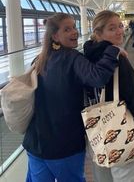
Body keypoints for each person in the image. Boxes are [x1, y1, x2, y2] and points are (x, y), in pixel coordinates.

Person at [23, 12, 122, 182]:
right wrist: (113, 50)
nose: (74, 32)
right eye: (67, 29)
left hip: (35, 143)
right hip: (64, 144)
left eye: (74, 27)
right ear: (55, 36)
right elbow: (98, 77)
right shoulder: (72, 58)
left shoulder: (38, 60)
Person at [83, 10, 134, 182]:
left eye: (120, 26)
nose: (119, 31)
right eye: (112, 28)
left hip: (97, 137)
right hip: (123, 137)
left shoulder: (85, 59)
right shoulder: (117, 59)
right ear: (98, 33)